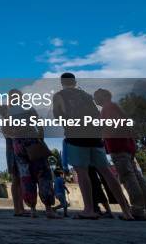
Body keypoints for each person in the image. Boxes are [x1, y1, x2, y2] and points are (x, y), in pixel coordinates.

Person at [53, 73, 134, 220]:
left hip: (76, 134)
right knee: (107, 172)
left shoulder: (59, 96)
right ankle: (126, 211)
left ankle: (89, 209)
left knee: (82, 172)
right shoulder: (86, 95)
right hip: (95, 135)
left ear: (62, 82)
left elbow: (58, 117)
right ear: (75, 81)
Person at [94, 88, 146, 221]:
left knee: (128, 179)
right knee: (138, 179)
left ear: (103, 96)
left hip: (118, 147)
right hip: (127, 146)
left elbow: (113, 126)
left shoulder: (108, 108)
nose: (94, 99)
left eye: (96, 96)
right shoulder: (115, 107)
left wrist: (102, 132)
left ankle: (137, 210)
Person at [5, 89, 59, 219]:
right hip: (32, 142)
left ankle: (33, 209)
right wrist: (40, 137)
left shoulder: (8, 112)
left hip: (18, 145)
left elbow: (7, 130)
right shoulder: (27, 107)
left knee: (26, 176)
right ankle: (48, 209)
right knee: (42, 173)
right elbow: (37, 121)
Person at [0, 102, 28, 217]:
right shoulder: (6, 123)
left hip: (14, 153)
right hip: (13, 153)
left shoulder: (8, 122)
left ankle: (20, 208)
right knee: (17, 181)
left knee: (19, 181)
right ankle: (18, 208)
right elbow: (12, 136)